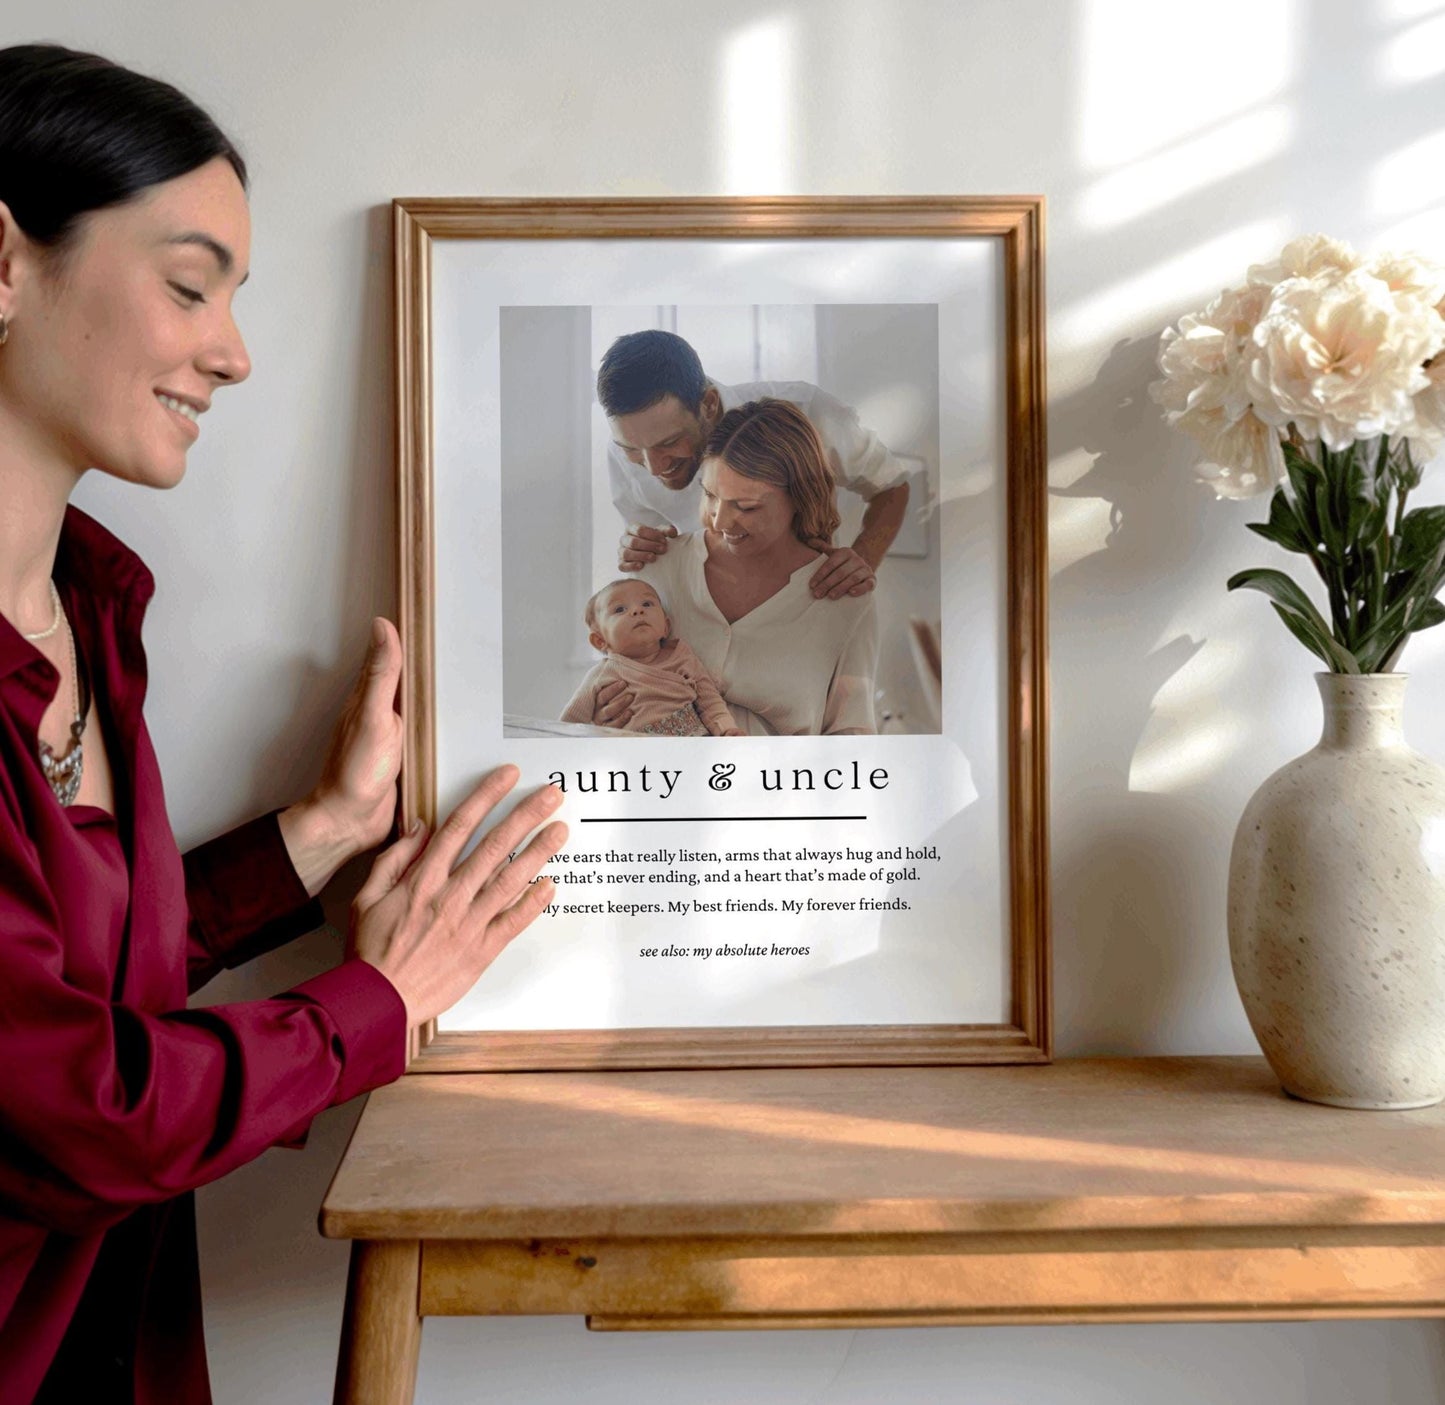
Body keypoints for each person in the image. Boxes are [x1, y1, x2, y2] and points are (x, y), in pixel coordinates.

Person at [0, 45, 565, 1404]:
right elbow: (84, 1112)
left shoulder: (93, 609)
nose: (235, 354)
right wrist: (384, 998)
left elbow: (66, 982)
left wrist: (316, 838)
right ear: (4, 263)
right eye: (190, 285)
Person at [598, 329, 912, 600]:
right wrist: (640, 546)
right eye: (632, 449)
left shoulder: (807, 411)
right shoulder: (621, 455)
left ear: (708, 404)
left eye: (669, 442)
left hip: (806, 615)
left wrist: (862, 560)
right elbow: (657, 550)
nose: (653, 467)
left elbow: (891, 485)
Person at [633, 399, 879, 736]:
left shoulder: (845, 600)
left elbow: (853, 735)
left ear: (800, 498)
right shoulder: (657, 566)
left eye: (746, 507)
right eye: (710, 495)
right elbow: (611, 682)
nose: (720, 521)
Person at [559, 578, 742, 736]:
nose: (637, 610)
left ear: (666, 627)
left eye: (647, 604)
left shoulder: (682, 656)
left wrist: (726, 729)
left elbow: (710, 701)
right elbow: (568, 725)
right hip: (638, 755)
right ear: (600, 640)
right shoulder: (603, 674)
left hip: (696, 745)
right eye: (620, 609)